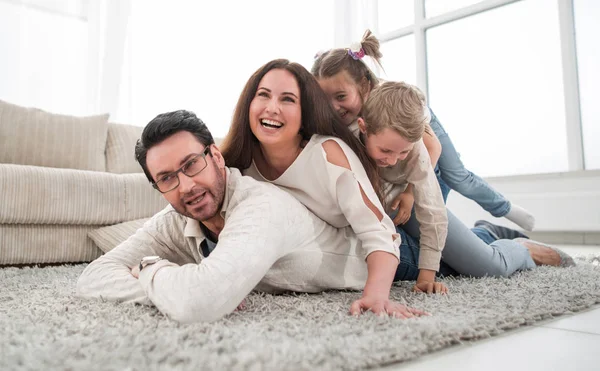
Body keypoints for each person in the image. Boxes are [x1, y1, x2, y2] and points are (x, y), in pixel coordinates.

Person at [76, 110, 426, 323]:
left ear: (215, 155)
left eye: (191, 165)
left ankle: (484, 231)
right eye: (167, 178)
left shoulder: (260, 205)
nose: (186, 186)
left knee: (478, 261)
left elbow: (200, 301)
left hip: (397, 252)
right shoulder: (175, 219)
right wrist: (186, 281)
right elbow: (92, 278)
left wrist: (151, 269)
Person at [220, 58, 449, 296]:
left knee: (470, 262)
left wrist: (424, 275)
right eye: (263, 95)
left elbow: (424, 217)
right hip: (377, 214)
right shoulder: (239, 169)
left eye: (287, 99)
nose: (272, 108)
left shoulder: (332, 153)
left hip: (392, 220)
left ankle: (486, 234)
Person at [312, 29, 536, 232]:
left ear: (364, 86)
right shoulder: (346, 114)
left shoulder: (387, 103)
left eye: (340, 97)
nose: (333, 106)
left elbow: (432, 147)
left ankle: (506, 209)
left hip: (421, 121)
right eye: (325, 98)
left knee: (457, 177)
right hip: (398, 136)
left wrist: (410, 191)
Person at [353, 80, 575, 281]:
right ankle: (484, 234)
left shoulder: (417, 154)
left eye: (402, 153)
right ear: (363, 127)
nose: (392, 161)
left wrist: (427, 275)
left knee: (491, 268)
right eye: (386, 151)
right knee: (450, 260)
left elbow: (433, 214)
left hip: (407, 205)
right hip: (387, 209)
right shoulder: (350, 137)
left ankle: (522, 249)